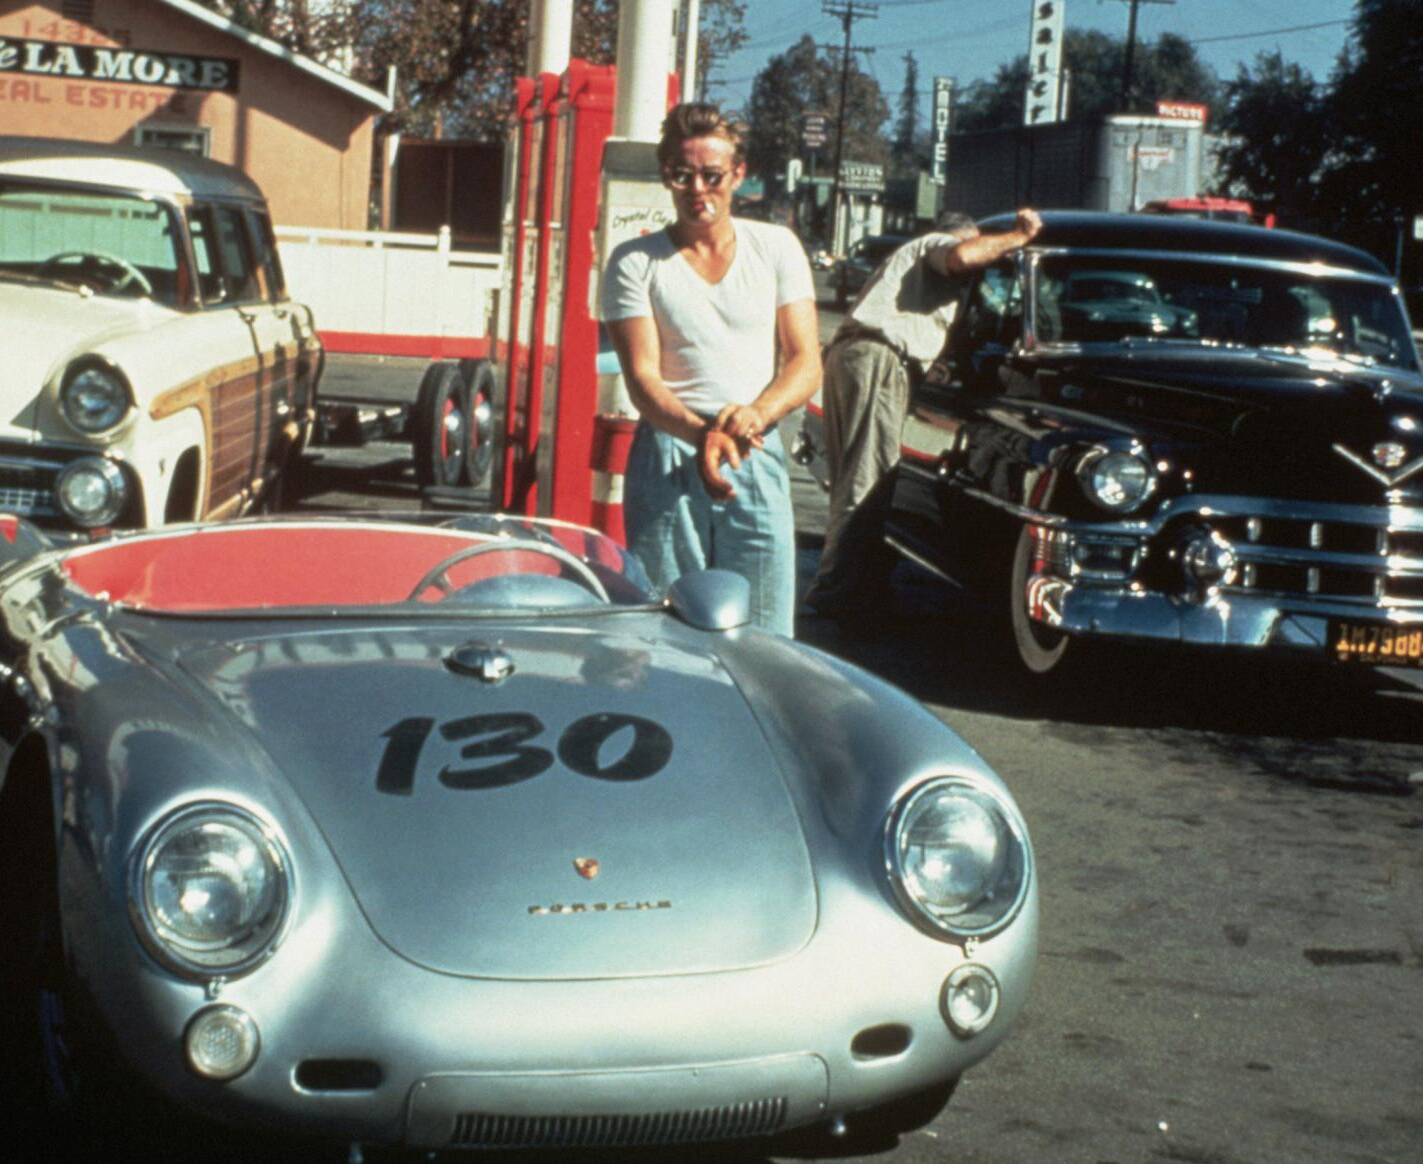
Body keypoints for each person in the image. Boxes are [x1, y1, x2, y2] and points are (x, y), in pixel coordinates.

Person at [601, 103, 821, 638]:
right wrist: (703, 436)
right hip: (670, 451)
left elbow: (805, 361)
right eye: (682, 174)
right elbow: (644, 381)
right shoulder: (634, 262)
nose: (697, 188)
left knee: (766, 631)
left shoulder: (776, 248)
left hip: (755, 447)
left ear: (739, 175)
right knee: (665, 625)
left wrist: (754, 415)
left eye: (712, 175)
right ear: (665, 176)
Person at [804, 207, 1043, 616]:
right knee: (868, 479)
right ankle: (837, 595)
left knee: (855, 475)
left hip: (855, 355)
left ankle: (858, 581)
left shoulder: (912, 264)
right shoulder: (938, 245)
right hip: (879, 358)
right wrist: (1019, 237)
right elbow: (963, 257)